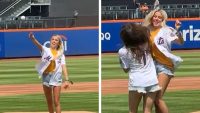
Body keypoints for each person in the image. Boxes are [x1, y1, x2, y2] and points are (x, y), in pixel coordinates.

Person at [143, 9, 184, 113]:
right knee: (151, 100)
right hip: (151, 67)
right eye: (155, 16)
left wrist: (177, 30)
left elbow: (180, 42)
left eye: (159, 17)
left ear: (163, 19)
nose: (156, 19)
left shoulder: (167, 30)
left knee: (157, 98)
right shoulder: (146, 30)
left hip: (165, 65)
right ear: (151, 17)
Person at [118, 23, 161, 113]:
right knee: (147, 110)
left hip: (136, 82)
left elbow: (126, 69)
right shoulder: (147, 43)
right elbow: (146, 30)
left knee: (132, 111)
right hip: (151, 81)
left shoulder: (123, 51)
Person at [29, 32, 72, 113]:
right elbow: (38, 45)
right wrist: (33, 38)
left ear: (58, 43)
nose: (54, 41)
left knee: (56, 101)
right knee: (49, 102)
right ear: (50, 41)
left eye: (56, 40)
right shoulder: (46, 50)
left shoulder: (61, 54)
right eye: (52, 39)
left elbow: (63, 67)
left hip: (57, 77)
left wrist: (66, 80)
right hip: (46, 77)